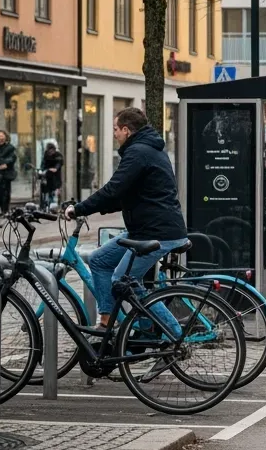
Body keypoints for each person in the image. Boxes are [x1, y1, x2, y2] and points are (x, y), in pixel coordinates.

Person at [65, 108, 186, 335]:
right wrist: (89, 209)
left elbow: (113, 189)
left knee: (124, 280)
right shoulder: (145, 149)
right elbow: (125, 196)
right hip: (145, 229)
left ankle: (174, 333)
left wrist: (80, 208)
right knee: (99, 260)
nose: (114, 134)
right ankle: (107, 322)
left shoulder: (138, 152)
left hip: (157, 233)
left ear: (126, 130)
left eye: (115, 129)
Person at [39, 141, 63, 209]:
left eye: (52, 150)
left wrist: (55, 168)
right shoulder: (46, 155)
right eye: (49, 151)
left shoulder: (58, 155)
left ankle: (55, 206)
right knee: (46, 191)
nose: (50, 152)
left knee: (55, 191)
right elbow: (43, 163)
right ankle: (46, 205)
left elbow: (59, 162)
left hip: (56, 177)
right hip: (47, 176)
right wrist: (42, 170)